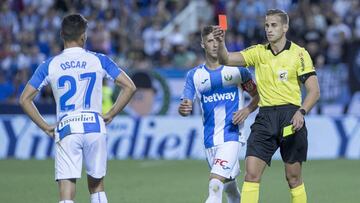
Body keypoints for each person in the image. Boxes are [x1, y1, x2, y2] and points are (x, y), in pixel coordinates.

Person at [19, 14, 136, 203]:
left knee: (67, 190)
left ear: (61, 35)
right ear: (84, 36)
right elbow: (130, 87)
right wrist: (112, 113)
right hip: (94, 125)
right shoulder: (99, 60)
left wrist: (45, 126)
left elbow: (24, 99)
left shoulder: (50, 65)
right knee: (97, 187)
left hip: (67, 127)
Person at [213, 9, 321, 203]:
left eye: (274, 25)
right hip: (265, 117)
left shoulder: (299, 54)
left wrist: (301, 112)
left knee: (293, 178)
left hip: (291, 117)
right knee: (251, 174)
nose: (269, 30)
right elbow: (225, 59)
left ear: (285, 27)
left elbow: (314, 91)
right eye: (266, 25)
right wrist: (221, 43)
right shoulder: (258, 52)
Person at [179, 25, 259, 203]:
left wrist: (246, 110)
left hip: (232, 137)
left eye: (217, 40)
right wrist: (183, 109)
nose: (214, 44)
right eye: (209, 41)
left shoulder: (238, 71)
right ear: (202, 44)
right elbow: (185, 103)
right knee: (230, 188)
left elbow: (257, 96)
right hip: (210, 140)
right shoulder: (194, 76)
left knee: (215, 185)